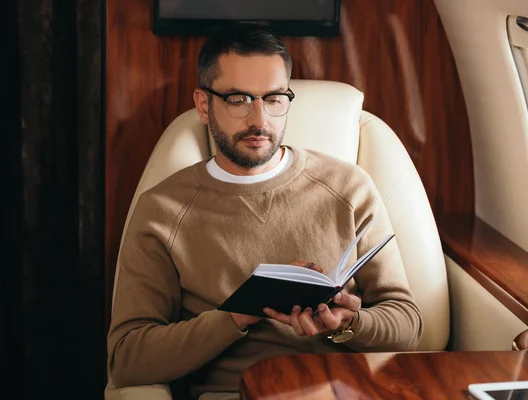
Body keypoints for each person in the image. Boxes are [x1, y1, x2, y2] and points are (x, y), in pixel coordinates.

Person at [107, 23, 423, 400]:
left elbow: (408, 323)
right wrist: (238, 314)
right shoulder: (162, 209)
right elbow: (128, 358)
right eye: (238, 99)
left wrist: (349, 324)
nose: (259, 120)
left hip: (345, 388)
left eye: (274, 98)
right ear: (204, 105)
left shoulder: (349, 188)